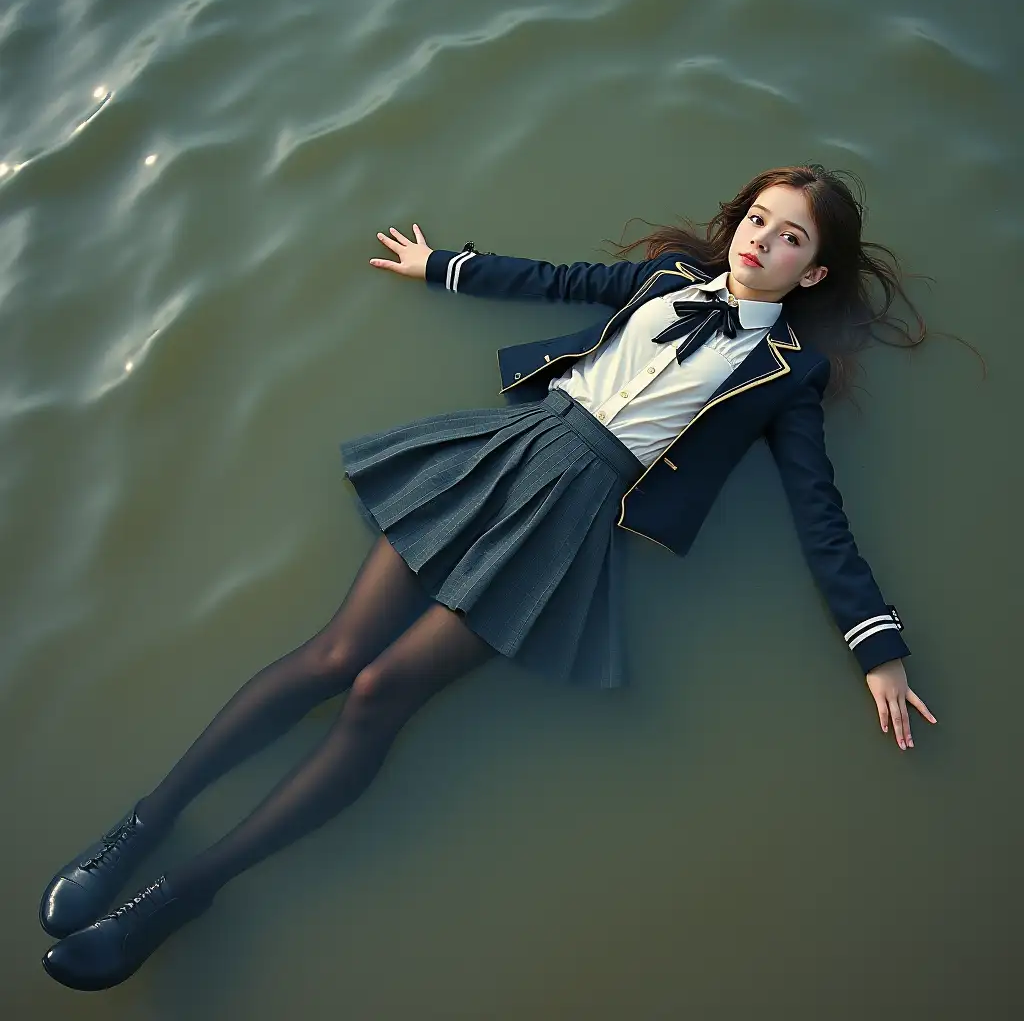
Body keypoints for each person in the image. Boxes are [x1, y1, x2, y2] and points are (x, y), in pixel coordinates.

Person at [39, 164, 939, 991]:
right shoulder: (666, 277)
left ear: (813, 273)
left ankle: (186, 891)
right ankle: (145, 824)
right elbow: (558, 280)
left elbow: (818, 510)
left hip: (577, 516)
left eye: (791, 237)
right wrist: (442, 266)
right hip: (505, 453)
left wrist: (877, 647)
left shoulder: (789, 374)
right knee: (333, 654)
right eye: (759, 218)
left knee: (378, 692)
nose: (763, 239)